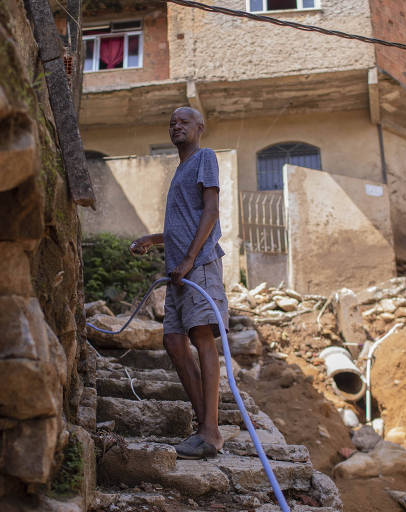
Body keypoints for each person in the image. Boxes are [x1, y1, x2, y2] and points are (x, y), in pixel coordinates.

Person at [129, 106, 229, 459]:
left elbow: (211, 211)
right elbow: (181, 224)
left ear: (200, 127)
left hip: (198, 265)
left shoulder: (205, 158)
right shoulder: (179, 170)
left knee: (201, 336)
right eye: (172, 122)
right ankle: (206, 427)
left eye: (184, 121)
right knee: (173, 341)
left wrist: (189, 258)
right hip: (178, 271)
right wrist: (152, 240)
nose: (176, 126)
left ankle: (211, 430)